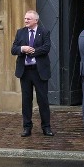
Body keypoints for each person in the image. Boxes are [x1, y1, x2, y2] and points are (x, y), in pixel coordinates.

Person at [11, 9, 53, 137]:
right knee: (26, 100)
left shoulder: (44, 32)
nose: (26, 21)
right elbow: (13, 49)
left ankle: (46, 127)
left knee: (43, 100)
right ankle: (27, 127)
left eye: (28, 19)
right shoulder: (20, 32)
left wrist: (33, 51)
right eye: (25, 19)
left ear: (36, 20)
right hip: (25, 72)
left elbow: (46, 47)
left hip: (39, 71)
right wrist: (22, 49)